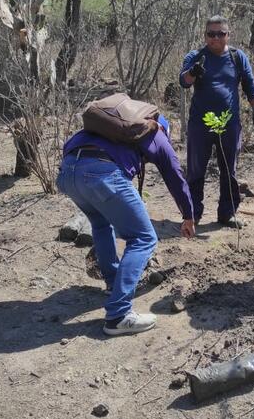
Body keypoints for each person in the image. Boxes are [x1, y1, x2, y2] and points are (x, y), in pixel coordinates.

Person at [57, 114, 194, 336]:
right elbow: (175, 175)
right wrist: (188, 215)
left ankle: (113, 283)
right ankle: (118, 315)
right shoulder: (155, 133)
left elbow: (70, 146)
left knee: (101, 224)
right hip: (101, 173)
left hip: (68, 171)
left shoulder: (110, 126)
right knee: (143, 238)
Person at [180, 15, 254, 228]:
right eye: (211, 34)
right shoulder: (196, 56)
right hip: (201, 123)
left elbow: (250, 86)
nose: (215, 38)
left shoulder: (238, 57)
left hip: (230, 123)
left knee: (229, 170)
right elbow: (183, 82)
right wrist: (193, 72)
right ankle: (193, 214)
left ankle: (227, 214)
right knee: (196, 169)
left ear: (228, 35)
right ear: (205, 35)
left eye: (220, 34)